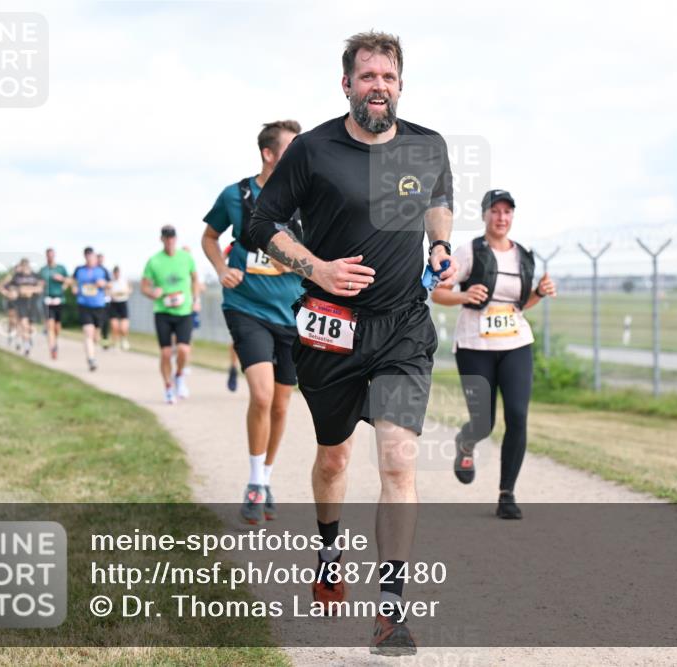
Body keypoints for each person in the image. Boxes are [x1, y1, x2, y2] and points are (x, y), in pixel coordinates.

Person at [248, 31, 456, 656]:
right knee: (335, 458)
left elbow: (440, 201)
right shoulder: (313, 149)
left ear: (400, 85)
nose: (378, 87)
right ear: (347, 84)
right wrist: (317, 269)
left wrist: (440, 246)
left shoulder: (426, 145)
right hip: (330, 330)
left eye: (388, 78)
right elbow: (262, 225)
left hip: (402, 326)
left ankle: (390, 610)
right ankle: (330, 544)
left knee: (397, 460)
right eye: (367, 77)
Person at [431, 190, 557, 519]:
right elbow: (438, 292)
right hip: (475, 346)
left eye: (507, 212)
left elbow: (520, 304)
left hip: (516, 343)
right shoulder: (469, 252)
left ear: (512, 217)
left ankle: (507, 494)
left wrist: (539, 294)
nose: (501, 217)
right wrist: (464, 295)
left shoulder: (523, 256)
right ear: (485, 215)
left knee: (517, 415)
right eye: (495, 211)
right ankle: (467, 442)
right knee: (483, 423)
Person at [202, 119, 304, 525]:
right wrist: (221, 267)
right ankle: (253, 482)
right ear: (269, 153)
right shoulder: (236, 195)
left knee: (281, 405)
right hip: (246, 308)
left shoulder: (306, 200)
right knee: (261, 396)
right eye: (293, 148)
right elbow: (210, 237)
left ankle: (265, 477)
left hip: (293, 314)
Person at [141, 225, 200, 404]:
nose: (170, 241)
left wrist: (195, 299)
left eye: (172, 237)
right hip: (163, 311)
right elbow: (144, 286)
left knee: (183, 349)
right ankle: (168, 387)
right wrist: (152, 293)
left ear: (176, 238)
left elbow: (195, 279)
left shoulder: (186, 258)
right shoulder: (154, 261)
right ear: (162, 239)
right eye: (166, 238)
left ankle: (179, 376)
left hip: (184, 311)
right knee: (166, 353)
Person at [72, 247, 109, 371]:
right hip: (84, 305)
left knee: (95, 336)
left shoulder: (102, 270)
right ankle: (91, 359)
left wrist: (103, 284)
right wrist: (74, 288)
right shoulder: (79, 270)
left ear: (95, 257)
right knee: (88, 332)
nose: (89, 259)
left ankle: (92, 350)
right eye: (87, 256)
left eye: (91, 256)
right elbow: (73, 282)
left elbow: (110, 284)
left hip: (98, 305)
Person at [5, 258, 43, 356]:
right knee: (23, 324)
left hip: (32, 303)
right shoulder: (17, 276)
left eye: (25, 266)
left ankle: (28, 339)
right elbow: (10, 287)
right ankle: (26, 346)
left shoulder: (35, 276)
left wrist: (30, 290)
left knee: (31, 327)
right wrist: (14, 292)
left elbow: (40, 288)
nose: (24, 268)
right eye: (22, 266)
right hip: (21, 303)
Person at [39, 248, 69, 360]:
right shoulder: (43, 270)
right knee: (50, 325)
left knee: (57, 328)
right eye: (48, 255)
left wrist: (62, 280)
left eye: (52, 255)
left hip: (59, 300)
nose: (50, 257)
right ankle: (52, 348)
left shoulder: (61, 268)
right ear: (46, 256)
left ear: (54, 256)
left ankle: (55, 342)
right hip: (47, 300)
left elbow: (69, 281)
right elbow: (39, 284)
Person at [222, 241, 241, 392]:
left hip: (271, 298)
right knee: (237, 338)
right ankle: (233, 368)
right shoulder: (235, 244)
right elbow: (221, 259)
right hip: (241, 297)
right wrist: (226, 272)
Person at [107, 266, 132, 351]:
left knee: (123, 328)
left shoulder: (124, 280)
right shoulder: (110, 282)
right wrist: (111, 293)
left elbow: (130, 290)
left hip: (123, 303)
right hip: (114, 304)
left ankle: (124, 339)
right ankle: (116, 343)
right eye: (115, 273)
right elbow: (106, 292)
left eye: (118, 273)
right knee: (114, 326)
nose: (116, 274)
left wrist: (124, 292)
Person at [97, 253, 114, 349]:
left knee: (105, 321)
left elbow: (110, 285)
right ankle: (95, 337)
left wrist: (104, 284)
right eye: (98, 259)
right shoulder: (92, 270)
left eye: (101, 259)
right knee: (98, 320)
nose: (100, 261)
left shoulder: (105, 271)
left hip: (104, 299)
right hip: (94, 301)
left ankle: (105, 339)